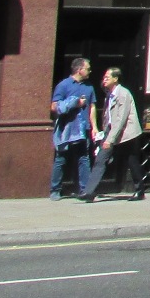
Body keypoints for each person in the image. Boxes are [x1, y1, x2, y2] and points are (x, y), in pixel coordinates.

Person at [80, 66, 145, 202]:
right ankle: (89, 192)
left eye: (107, 77)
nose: (104, 80)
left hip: (127, 134)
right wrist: (104, 133)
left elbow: (121, 119)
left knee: (131, 161)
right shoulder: (109, 94)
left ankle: (140, 190)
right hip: (111, 131)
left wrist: (110, 139)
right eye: (104, 77)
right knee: (100, 160)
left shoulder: (123, 94)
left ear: (115, 79)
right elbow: (108, 117)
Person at [49, 57, 97, 200]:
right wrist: (74, 103)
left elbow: (92, 107)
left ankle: (85, 190)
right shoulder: (64, 85)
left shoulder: (89, 86)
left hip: (83, 129)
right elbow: (54, 106)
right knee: (61, 158)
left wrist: (94, 127)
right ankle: (55, 189)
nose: (90, 71)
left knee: (84, 158)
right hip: (66, 129)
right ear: (79, 69)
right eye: (88, 69)